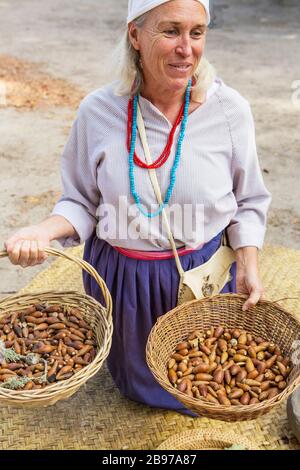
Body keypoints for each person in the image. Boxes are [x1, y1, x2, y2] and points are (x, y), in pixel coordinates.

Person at [4, 0, 271, 413]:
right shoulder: (100, 111)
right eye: (170, 31)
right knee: (135, 388)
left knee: (203, 379)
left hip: (200, 281)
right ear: (135, 35)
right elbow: (79, 201)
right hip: (123, 282)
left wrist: (250, 265)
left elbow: (250, 201)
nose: (187, 48)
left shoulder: (229, 110)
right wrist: (40, 232)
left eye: (196, 32)